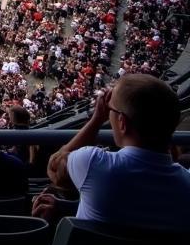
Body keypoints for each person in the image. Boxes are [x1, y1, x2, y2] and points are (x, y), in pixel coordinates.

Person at [37, 77, 190, 230]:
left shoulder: (93, 163)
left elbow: (54, 167)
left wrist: (96, 119)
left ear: (122, 122)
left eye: (111, 110)